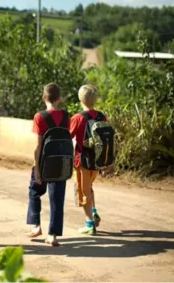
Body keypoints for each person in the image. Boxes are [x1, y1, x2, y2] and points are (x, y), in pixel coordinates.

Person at [26, 83, 70, 247]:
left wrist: (36, 167)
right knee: (57, 198)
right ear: (59, 99)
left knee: (34, 190)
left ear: (44, 98)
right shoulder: (66, 116)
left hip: (44, 162)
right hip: (61, 162)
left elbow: (38, 145)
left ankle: (35, 225)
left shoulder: (40, 116)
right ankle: (53, 236)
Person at [70, 84, 115, 235]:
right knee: (89, 188)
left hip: (82, 161)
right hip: (98, 161)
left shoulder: (78, 118)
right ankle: (94, 211)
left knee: (83, 191)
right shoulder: (102, 116)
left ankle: (89, 224)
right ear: (95, 99)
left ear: (80, 99)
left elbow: (68, 136)